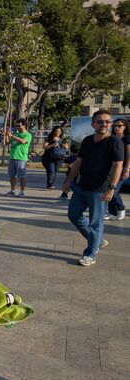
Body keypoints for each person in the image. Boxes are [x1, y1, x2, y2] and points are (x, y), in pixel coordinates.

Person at [63, 110, 124, 266]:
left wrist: (111, 188)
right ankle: (96, 240)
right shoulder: (88, 141)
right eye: (100, 121)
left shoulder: (115, 142)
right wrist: (69, 180)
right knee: (73, 214)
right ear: (93, 124)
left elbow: (118, 166)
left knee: (95, 223)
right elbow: (79, 162)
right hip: (83, 186)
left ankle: (90, 253)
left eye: (108, 122)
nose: (104, 124)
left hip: (100, 189)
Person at [104, 117, 130, 221]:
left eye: (119, 126)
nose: (116, 128)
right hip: (111, 168)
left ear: (124, 127)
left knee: (113, 191)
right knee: (109, 188)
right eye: (114, 126)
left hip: (123, 168)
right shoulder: (112, 138)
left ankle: (121, 208)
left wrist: (127, 169)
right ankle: (112, 212)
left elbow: (129, 155)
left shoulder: (127, 138)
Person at [5, 119, 32, 197]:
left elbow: (23, 141)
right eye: (16, 126)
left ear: (24, 125)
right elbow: (6, 143)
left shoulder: (27, 135)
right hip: (12, 157)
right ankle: (12, 190)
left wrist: (13, 136)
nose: (17, 127)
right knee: (12, 176)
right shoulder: (15, 133)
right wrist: (7, 136)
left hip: (21, 158)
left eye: (19, 126)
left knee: (22, 176)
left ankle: (22, 191)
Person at [41, 126, 68, 191]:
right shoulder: (49, 138)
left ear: (61, 132)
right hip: (49, 157)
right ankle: (50, 185)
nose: (58, 132)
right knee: (51, 171)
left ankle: (51, 184)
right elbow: (44, 147)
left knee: (54, 171)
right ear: (53, 131)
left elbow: (67, 147)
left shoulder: (63, 139)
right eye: (56, 131)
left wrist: (63, 145)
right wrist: (52, 145)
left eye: (59, 131)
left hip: (59, 158)